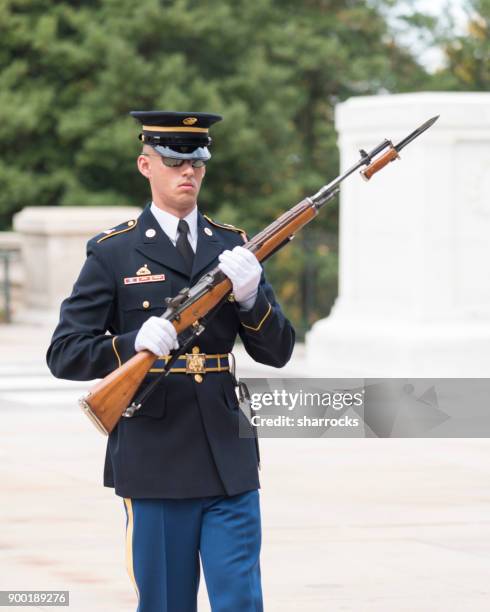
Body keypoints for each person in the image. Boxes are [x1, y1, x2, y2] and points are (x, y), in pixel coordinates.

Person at [46, 110, 295, 612]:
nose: (188, 172)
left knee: (241, 600)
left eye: (197, 163)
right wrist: (133, 343)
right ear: (146, 165)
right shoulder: (113, 253)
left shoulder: (233, 246)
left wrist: (251, 299)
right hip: (155, 457)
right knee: (165, 602)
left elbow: (279, 350)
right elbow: (65, 352)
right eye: (174, 161)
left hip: (229, 453)